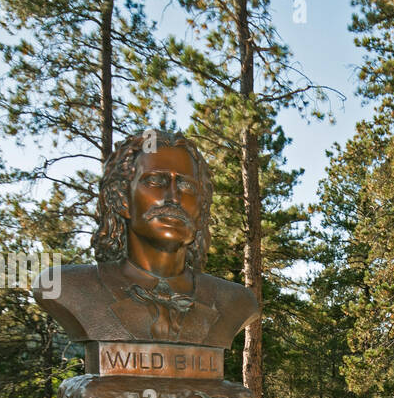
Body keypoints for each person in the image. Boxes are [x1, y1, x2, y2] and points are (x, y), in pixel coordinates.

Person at [36, 129, 258, 360]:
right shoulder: (67, 286)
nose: (173, 197)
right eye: (155, 181)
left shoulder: (235, 301)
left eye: (186, 186)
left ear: (200, 208)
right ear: (122, 198)